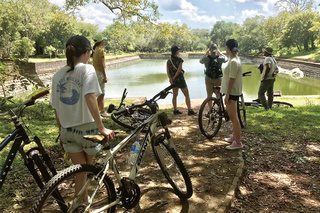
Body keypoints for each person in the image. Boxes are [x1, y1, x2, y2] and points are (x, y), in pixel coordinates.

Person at [50, 35, 115, 204]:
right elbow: (90, 96)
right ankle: (82, 204)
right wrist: (101, 127)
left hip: (66, 131)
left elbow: (56, 108)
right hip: (87, 130)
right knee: (85, 170)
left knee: (81, 171)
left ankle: (80, 205)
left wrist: (60, 132)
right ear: (87, 52)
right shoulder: (87, 69)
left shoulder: (57, 75)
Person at [221, 39, 243, 150]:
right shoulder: (233, 59)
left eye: (226, 47)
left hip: (233, 92)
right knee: (233, 116)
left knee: (233, 118)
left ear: (228, 48)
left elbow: (232, 79)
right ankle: (234, 137)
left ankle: (238, 142)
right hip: (232, 92)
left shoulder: (234, 62)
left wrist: (228, 94)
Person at [166, 45, 196, 115]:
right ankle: (189, 110)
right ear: (176, 52)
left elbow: (168, 71)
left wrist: (171, 79)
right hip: (180, 79)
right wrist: (174, 78)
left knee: (175, 95)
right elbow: (179, 70)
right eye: (178, 50)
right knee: (187, 95)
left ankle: (175, 109)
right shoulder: (180, 60)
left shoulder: (169, 61)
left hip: (173, 81)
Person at [92, 34, 109, 117]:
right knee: (101, 93)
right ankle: (97, 113)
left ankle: (102, 111)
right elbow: (101, 65)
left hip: (95, 72)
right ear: (101, 41)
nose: (104, 41)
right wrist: (105, 76)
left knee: (100, 92)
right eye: (103, 40)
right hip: (99, 72)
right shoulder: (100, 50)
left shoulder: (95, 50)